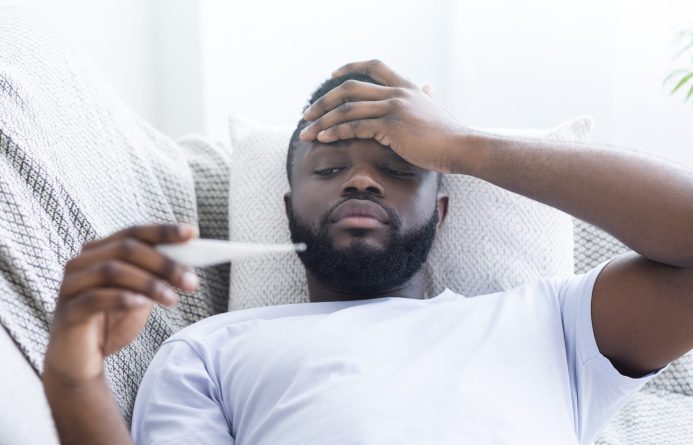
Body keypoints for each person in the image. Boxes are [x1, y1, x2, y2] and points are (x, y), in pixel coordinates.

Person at [43, 60, 693, 444]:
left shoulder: (551, 322)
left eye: (400, 168)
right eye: (327, 169)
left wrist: (466, 146)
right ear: (287, 207)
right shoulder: (210, 349)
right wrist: (74, 381)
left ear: (441, 212)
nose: (360, 179)